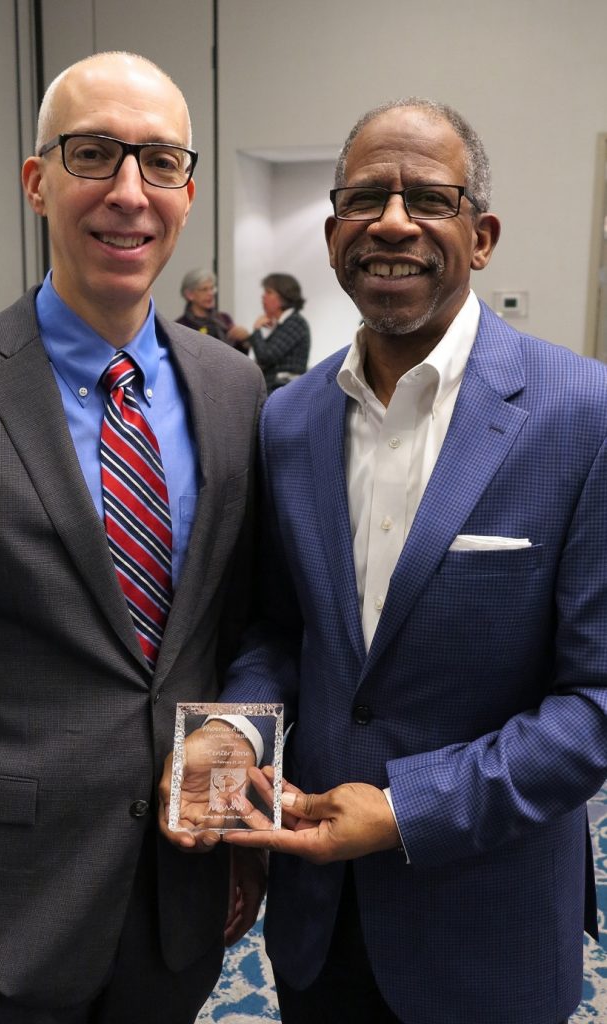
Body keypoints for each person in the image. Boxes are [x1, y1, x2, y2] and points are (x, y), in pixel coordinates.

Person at [160, 98, 607, 1023]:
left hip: (485, 920)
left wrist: (409, 810)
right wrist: (238, 733)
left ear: (478, 236)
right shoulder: (288, 420)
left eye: (427, 199)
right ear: (332, 237)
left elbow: (594, 702)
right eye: (365, 198)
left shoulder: (582, 414)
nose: (392, 221)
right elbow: (279, 631)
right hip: (318, 927)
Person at [0, 51, 267, 1024]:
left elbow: (239, 631)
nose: (128, 193)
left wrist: (237, 829)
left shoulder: (234, 390)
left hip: (173, 907)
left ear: (188, 189)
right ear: (36, 179)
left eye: (159, 162)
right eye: (94, 154)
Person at [247, 273, 310, 392]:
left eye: (269, 292)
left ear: (284, 297)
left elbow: (265, 356)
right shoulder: (283, 323)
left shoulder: (295, 322)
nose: (263, 296)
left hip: (283, 394)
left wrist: (256, 329)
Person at [176, 268, 249, 351]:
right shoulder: (181, 326)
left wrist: (244, 340)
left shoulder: (224, 319)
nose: (210, 293)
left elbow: (239, 355)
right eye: (204, 289)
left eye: (212, 288)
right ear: (189, 295)